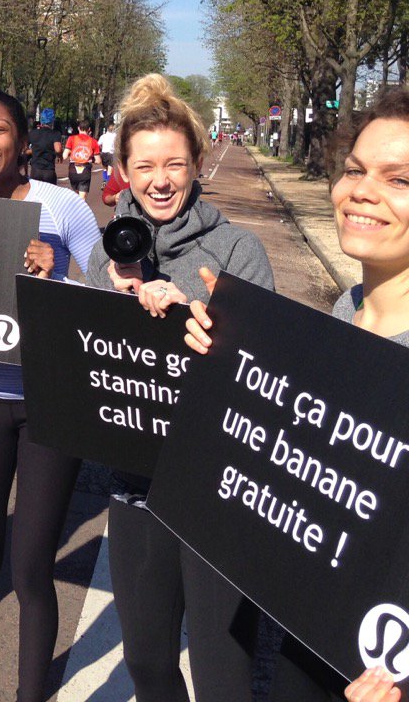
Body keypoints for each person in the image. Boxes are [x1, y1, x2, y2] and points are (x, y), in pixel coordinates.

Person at [187, 85, 409, 702]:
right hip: (311, 631)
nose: (361, 191)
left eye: (399, 179)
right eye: (355, 170)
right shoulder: (346, 309)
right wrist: (224, 360)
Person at [88, 73, 273, 702]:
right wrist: (113, 301)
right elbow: (86, 369)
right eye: (145, 166)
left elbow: (266, 378)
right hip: (136, 483)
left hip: (218, 492)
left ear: (197, 164)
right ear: (123, 170)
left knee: (223, 676)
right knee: (146, 662)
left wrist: (195, 315)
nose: (160, 181)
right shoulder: (107, 253)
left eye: (174, 164)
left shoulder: (238, 249)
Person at [0, 89, 101, 702]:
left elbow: (112, 296)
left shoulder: (62, 206)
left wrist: (58, 274)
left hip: (51, 403)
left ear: (21, 142)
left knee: (33, 567)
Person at [63, 119, 102, 200]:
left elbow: (64, 156)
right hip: (85, 170)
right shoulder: (93, 142)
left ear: (78, 128)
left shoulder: (71, 139)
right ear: (89, 129)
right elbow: (98, 161)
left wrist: (71, 153)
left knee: (75, 196)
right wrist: (91, 159)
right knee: (82, 198)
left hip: (73, 169)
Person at [26, 108, 62, 185]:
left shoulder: (33, 133)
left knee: (36, 191)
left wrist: (33, 150)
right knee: (50, 192)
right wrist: (60, 156)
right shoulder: (55, 134)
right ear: (52, 121)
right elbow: (58, 149)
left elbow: (24, 148)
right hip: (49, 170)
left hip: (35, 170)